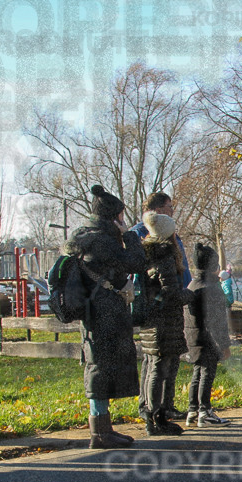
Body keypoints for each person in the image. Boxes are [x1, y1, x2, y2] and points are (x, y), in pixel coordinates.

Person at [63, 185, 146, 448]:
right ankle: (99, 433)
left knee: (100, 364)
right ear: (113, 216)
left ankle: (103, 428)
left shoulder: (85, 237)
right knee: (99, 367)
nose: (123, 219)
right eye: (121, 215)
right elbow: (136, 263)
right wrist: (129, 235)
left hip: (95, 310)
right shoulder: (103, 241)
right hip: (105, 311)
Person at [133, 192, 191, 421]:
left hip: (167, 312)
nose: (172, 211)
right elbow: (166, 290)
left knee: (167, 362)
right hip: (161, 314)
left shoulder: (164, 243)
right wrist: (189, 294)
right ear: (157, 210)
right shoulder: (150, 242)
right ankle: (152, 411)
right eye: (169, 207)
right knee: (155, 364)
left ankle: (164, 407)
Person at [183, 243, 232, 427]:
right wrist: (224, 345)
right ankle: (205, 411)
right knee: (207, 374)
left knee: (197, 373)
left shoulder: (193, 284)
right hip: (208, 339)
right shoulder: (211, 289)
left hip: (193, 337)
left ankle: (193, 410)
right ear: (213, 266)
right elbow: (218, 322)